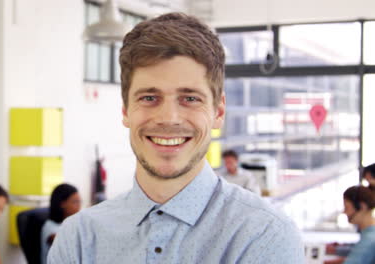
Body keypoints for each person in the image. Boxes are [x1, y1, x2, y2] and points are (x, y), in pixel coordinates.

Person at [48, 12, 303, 263]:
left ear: (219, 111)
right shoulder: (79, 238)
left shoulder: (265, 235)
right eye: (149, 97)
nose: (169, 118)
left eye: (190, 98)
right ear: (126, 110)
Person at [324, 186, 375, 264]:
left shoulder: (370, 239)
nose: (344, 212)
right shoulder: (369, 234)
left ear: (362, 206)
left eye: (346, 207)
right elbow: (357, 252)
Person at [41, 184, 81, 264]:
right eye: (75, 202)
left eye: (79, 202)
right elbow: (70, 248)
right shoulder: (50, 228)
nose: (79, 206)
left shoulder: (71, 223)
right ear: (62, 204)